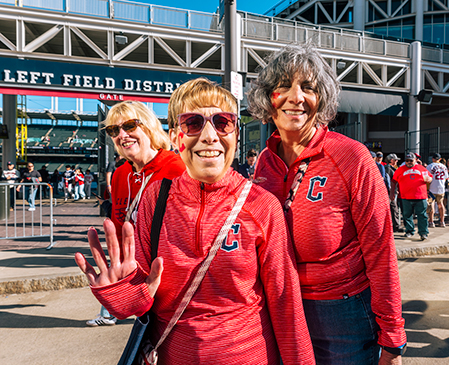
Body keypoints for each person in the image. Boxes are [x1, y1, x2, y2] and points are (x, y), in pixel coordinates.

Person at [76, 78, 315, 364]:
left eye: (222, 122)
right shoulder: (157, 197)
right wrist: (120, 292)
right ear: (177, 136)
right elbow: (141, 299)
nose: (210, 136)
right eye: (193, 123)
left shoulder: (262, 205)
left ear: (236, 135)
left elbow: (285, 304)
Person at [247, 42, 406, 364]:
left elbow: (381, 250)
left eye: (308, 87)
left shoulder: (351, 157)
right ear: (268, 98)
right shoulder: (264, 160)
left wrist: (392, 337)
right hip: (279, 307)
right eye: (283, 87)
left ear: (322, 99)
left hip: (341, 314)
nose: (296, 97)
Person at [84, 100, 186, 327]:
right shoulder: (120, 175)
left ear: (148, 126)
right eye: (114, 130)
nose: (122, 135)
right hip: (135, 278)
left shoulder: (178, 167)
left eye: (130, 126)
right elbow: (119, 231)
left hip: (174, 280)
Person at [390, 152, 433, 240]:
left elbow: (430, 177)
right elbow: (393, 181)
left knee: (422, 216)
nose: (409, 162)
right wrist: (392, 193)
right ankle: (409, 231)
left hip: (420, 196)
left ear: (415, 160)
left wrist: (430, 179)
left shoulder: (422, 168)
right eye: (407, 160)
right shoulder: (400, 169)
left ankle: (423, 233)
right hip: (405, 197)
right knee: (406, 215)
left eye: (411, 160)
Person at [426, 153, 449, 227]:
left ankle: (431, 221)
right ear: (439, 159)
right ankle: (442, 221)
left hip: (432, 187)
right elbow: (446, 178)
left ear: (433, 159)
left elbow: (427, 178)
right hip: (441, 187)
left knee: (431, 204)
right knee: (440, 204)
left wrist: (427, 188)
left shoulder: (429, 166)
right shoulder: (444, 166)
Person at [385, 153, 403, 232]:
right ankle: (395, 226)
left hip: (392, 191)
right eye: (395, 160)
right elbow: (390, 181)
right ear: (391, 160)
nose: (396, 162)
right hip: (391, 192)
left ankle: (394, 226)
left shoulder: (389, 168)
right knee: (394, 209)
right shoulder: (388, 169)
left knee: (393, 209)